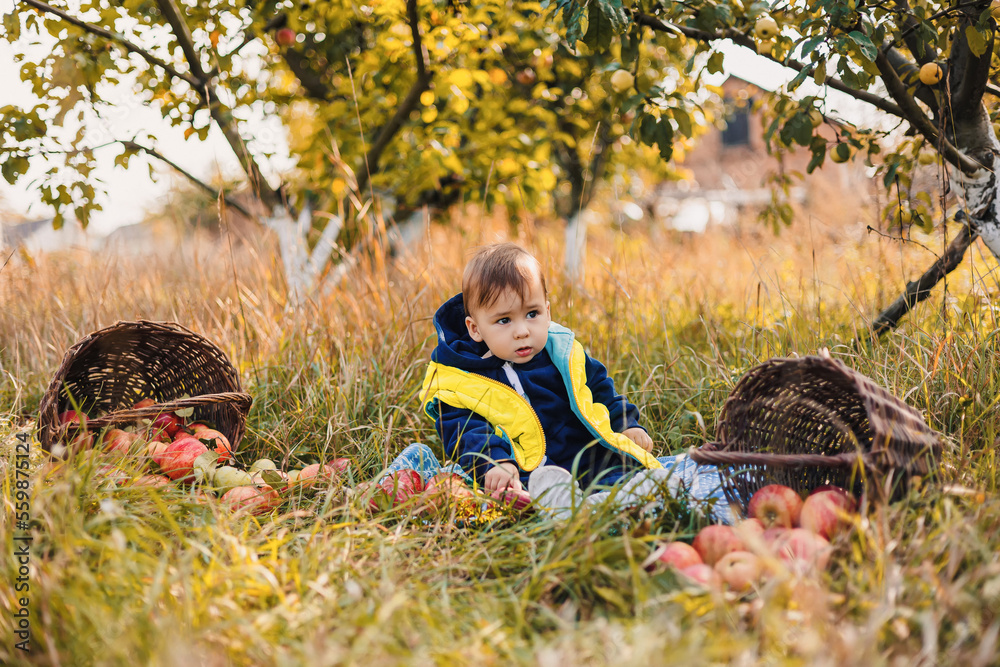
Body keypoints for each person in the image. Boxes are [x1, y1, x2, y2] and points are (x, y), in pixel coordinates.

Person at [398, 242, 730, 521]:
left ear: (547, 308)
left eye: (532, 313)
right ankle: (563, 507)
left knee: (627, 478)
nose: (522, 330)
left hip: (592, 460)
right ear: (475, 329)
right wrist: (495, 464)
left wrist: (626, 424)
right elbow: (465, 430)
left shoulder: (561, 351)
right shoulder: (461, 380)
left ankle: (639, 494)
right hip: (528, 476)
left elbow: (599, 389)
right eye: (503, 320)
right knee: (532, 494)